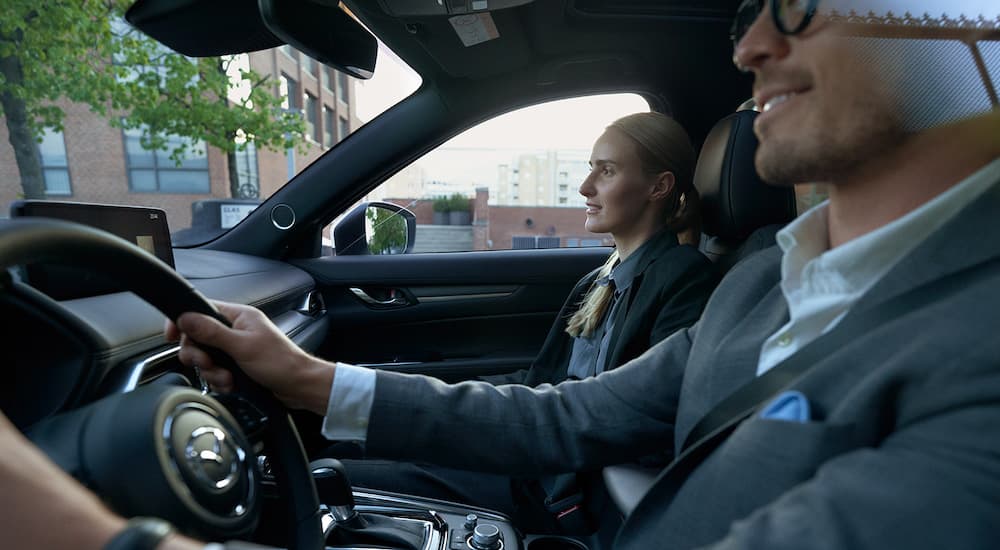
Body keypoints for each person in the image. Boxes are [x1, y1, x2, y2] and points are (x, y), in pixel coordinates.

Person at [6, 1, 1000, 548]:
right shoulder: (761, 282)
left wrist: (72, 531)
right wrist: (303, 377)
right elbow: (559, 418)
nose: (749, 45)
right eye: (749, 10)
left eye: (800, 5)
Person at [330, 112, 718, 533]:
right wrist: (451, 398)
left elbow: (645, 420)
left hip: (558, 487)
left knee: (338, 476)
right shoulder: (600, 279)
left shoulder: (683, 276)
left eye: (606, 171)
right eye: (590, 169)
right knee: (357, 448)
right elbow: (540, 380)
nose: (586, 187)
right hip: (534, 453)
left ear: (658, 186)